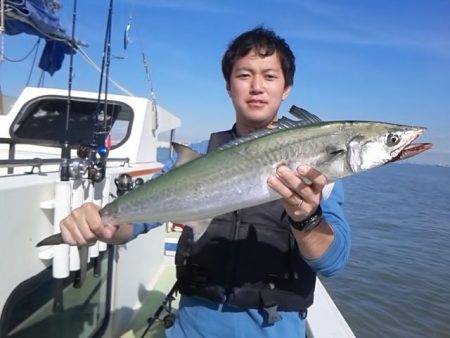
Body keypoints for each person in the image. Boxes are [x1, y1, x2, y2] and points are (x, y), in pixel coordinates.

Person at [60, 26, 351, 337]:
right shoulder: (196, 155)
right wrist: (98, 224)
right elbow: (132, 225)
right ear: (228, 86)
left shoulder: (318, 169)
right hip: (190, 329)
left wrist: (307, 217)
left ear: (286, 88)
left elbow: (333, 262)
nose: (256, 87)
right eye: (243, 75)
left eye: (269, 76)